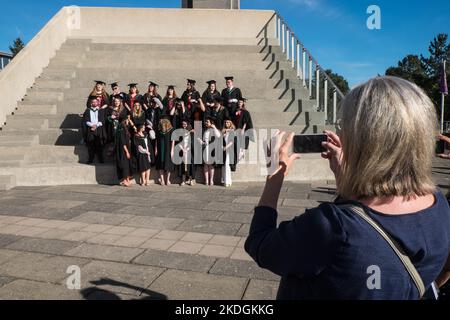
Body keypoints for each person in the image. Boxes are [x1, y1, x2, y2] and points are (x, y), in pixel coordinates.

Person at [245, 76, 450, 300]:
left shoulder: (331, 226)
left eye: (344, 127)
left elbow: (261, 245)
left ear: (363, 140)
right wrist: (345, 179)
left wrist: (275, 174)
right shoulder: (439, 204)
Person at [198, 117, 221, 186]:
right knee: (205, 165)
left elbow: (219, 135)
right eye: (206, 122)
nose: (206, 123)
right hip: (205, 149)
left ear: (211, 123)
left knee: (211, 165)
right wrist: (201, 142)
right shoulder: (205, 130)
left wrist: (214, 128)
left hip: (212, 149)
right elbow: (205, 141)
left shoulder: (214, 130)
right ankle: (206, 180)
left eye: (207, 122)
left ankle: (211, 180)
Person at [82, 98, 106, 164]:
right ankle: (90, 159)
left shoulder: (101, 110)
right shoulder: (87, 110)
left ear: (98, 103)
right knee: (90, 145)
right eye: (93, 102)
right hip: (90, 129)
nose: (94, 103)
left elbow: (102, 121)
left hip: (99, 130)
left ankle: (101, 159)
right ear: (91, 103)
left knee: (99, 145)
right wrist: (92, 125)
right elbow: (85, 120)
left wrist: (96, 126)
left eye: (96, 102)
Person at [156, 117, 175, 186]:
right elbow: (156, 140)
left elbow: (173, 140)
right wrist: (156, 149)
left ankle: (167, 180)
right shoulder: (159, 130)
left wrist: (172, 150)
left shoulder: (171, 130)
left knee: (168, 165)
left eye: (163, 123)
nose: (162, 125)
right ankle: (162, 180)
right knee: (161, 164)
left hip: (168, 149)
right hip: (160, 148)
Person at [176, 119, 195, 186]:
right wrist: (183, 149)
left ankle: (191, 180)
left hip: (189, 152)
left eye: (185, 124)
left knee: (189, 167)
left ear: (187, 125)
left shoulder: (191, 133)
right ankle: (183, 180)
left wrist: (187, 149)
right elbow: (178, 143)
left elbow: (192, 143)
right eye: (183, 124)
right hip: (182, 151)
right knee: (182, 166)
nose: (184, 125)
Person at [115, 116, 133, 187]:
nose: (128, 120)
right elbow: (123, 142)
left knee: (127, 165)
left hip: (125, 149)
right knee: (124, 165)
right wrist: (127, 151)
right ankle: (125, 180)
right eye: (127, 119)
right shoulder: (121, 128)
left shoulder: (123, 127)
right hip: (123, 150)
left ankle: (127, 180)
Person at [221, 117, 237, 187]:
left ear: (231, 123)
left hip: (229, 150)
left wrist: (226, 147)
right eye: (226, 122)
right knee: (224, 166)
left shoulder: (232, 131)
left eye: (228, 122)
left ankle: (227, 182)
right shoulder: (223, 131)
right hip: (224, 150)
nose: (227, 123)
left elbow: (232, 141)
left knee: (227, 165)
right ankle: (227, 181)